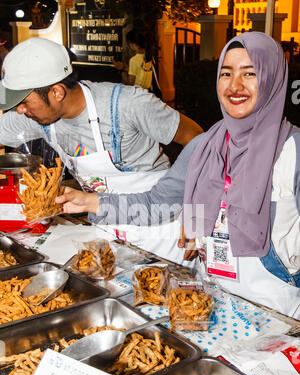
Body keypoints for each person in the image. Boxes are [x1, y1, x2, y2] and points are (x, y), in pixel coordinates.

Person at [57, 32, 300, 319]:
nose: (235, 85)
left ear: (273, 78)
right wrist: (92, 203)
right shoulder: (206, 145)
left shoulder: (293, 151)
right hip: (215, 302)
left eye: (250, 73)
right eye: (226, 73)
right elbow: (158, 203)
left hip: (278, 310)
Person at [0, 37, 202, 265]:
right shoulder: (38, 117)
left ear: (57, 92)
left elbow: (198, 139)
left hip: (163, 232)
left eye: (25, 102)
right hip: (109, 233)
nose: (19, 110)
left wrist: (198, 211)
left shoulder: (128, 104)